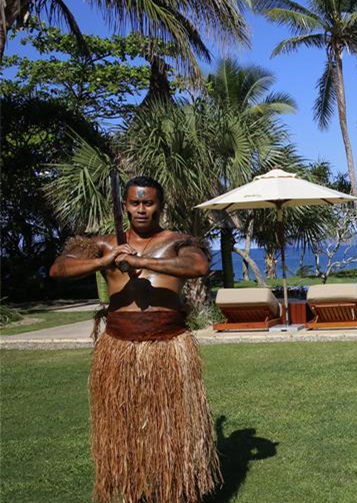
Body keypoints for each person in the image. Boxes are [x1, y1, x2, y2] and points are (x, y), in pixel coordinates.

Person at [50, 176, 219, 503]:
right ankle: (132, 492)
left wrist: (141, 262)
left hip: (168, 348)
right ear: (125, 205)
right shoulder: (103, 244)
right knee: (124, 430)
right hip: (119, 348)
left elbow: (197, 265)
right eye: (135, 203)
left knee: (171, 428)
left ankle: (174, 491)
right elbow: (59, 269)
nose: (142, 209)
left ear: (160, 205)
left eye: (149, 203)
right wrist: (103, 262)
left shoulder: (179, 241)